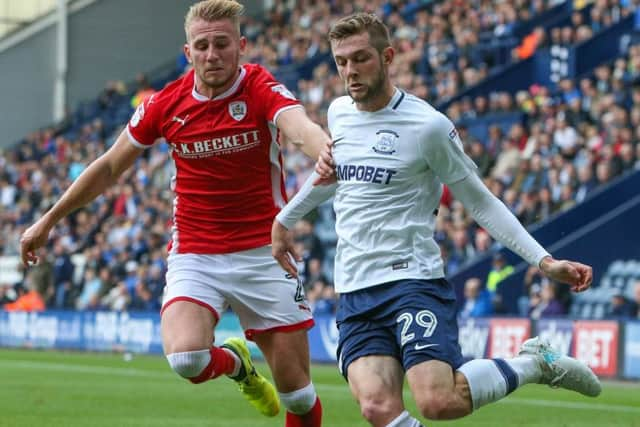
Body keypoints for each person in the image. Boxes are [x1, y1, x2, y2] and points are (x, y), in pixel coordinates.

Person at [272, 13, 600, 427]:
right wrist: (284, 220)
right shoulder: (339, 113)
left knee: (438, 402)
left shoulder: (427, 126)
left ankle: (534, 363)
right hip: (355, 289)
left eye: (361, 58)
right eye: (341, 61)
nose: (350, 71)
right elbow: (335, 180)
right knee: (376, 408)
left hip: (411, 280)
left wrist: (544, 261)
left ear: (388, 56)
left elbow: (480, 201)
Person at [20, 1, 327, 425]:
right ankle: (238, 365)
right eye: (202, 45)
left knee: (298, 396)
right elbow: (110, 165)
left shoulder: (259, 87)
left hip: (264, 252)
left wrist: (324, 149)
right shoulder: (167, 103)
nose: (212, 54)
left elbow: (299, 128)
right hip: (196, 252)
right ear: (188, 53)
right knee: (186, 357)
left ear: (240, 46)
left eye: (222, 44)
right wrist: (48, 220)